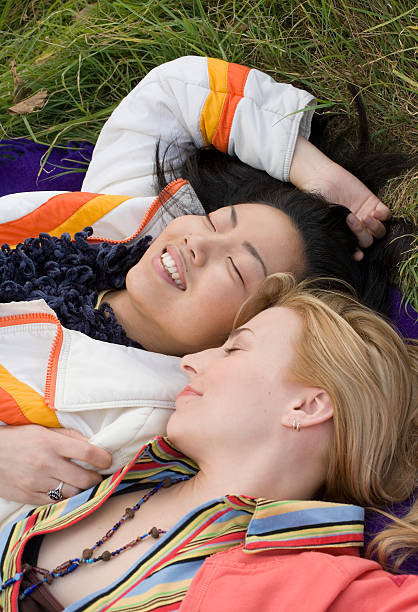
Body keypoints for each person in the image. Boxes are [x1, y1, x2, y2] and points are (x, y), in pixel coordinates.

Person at [0, 56, 410, 513]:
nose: (198, 244)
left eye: (236, 269)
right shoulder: (132, 224)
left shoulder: (137, 414)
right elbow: (175, 91)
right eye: (217, 223)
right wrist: (316, 175)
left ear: (252, 330)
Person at [0, 273, 416, 611]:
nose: (191, 361)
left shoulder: (308, 585)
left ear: (307, 406)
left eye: (234, 349)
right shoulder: (132, 452)